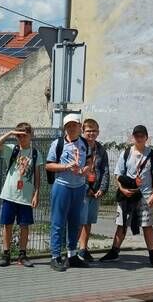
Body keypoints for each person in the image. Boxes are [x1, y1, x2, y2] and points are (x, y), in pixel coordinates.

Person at [100, 125, 153, 267]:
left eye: (142, 136)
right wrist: (122, 189)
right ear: (133, 137)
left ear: (146, 138)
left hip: (145, 195)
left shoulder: (152, 155)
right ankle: (114, 251)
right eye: (136, 136)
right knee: (121, 224)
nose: (139, 138)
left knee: (147, 225)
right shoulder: (126, 153)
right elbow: (118, 174)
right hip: (127, 195)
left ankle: (152, 254)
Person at [0, 122, 43, 268]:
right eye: (19, 136)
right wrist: (10, 133)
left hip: (25, 197)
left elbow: (37, 176)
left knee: (24, 225)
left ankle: (22, 254)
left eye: (24, 135)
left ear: (31, 135)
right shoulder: (12, 149)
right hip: (10, 194)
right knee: (7, 224)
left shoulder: (35, 153)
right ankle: (6, 254)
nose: (22, 138)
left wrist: (36, 193)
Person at [45, 114, 91, 271]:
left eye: (74, 125)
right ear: (65, 128)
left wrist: (85, 169)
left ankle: (72, 255)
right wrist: (66, 166)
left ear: (80, 127)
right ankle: (55, 256)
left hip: (79, 187)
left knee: (75, 222)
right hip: (62, 186)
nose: (71, 128)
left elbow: (89, 161)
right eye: (68, 126)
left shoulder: (84, 143)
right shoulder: (58, 143)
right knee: (58, 222)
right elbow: (49, 165)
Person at [77, 118, 110, 262]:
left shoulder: (101, 149)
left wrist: (102, 189)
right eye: (88, 131)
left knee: (88, 221)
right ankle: (72, 250)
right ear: (83, 131)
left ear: (98, 132)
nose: (91, 133)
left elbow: (105, 170)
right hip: (81, 190)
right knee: (79, 221)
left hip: (95, 191)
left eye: (94, 131)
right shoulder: (79, 147)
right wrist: (86, 188)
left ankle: (83, 249)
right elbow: (76, 170)